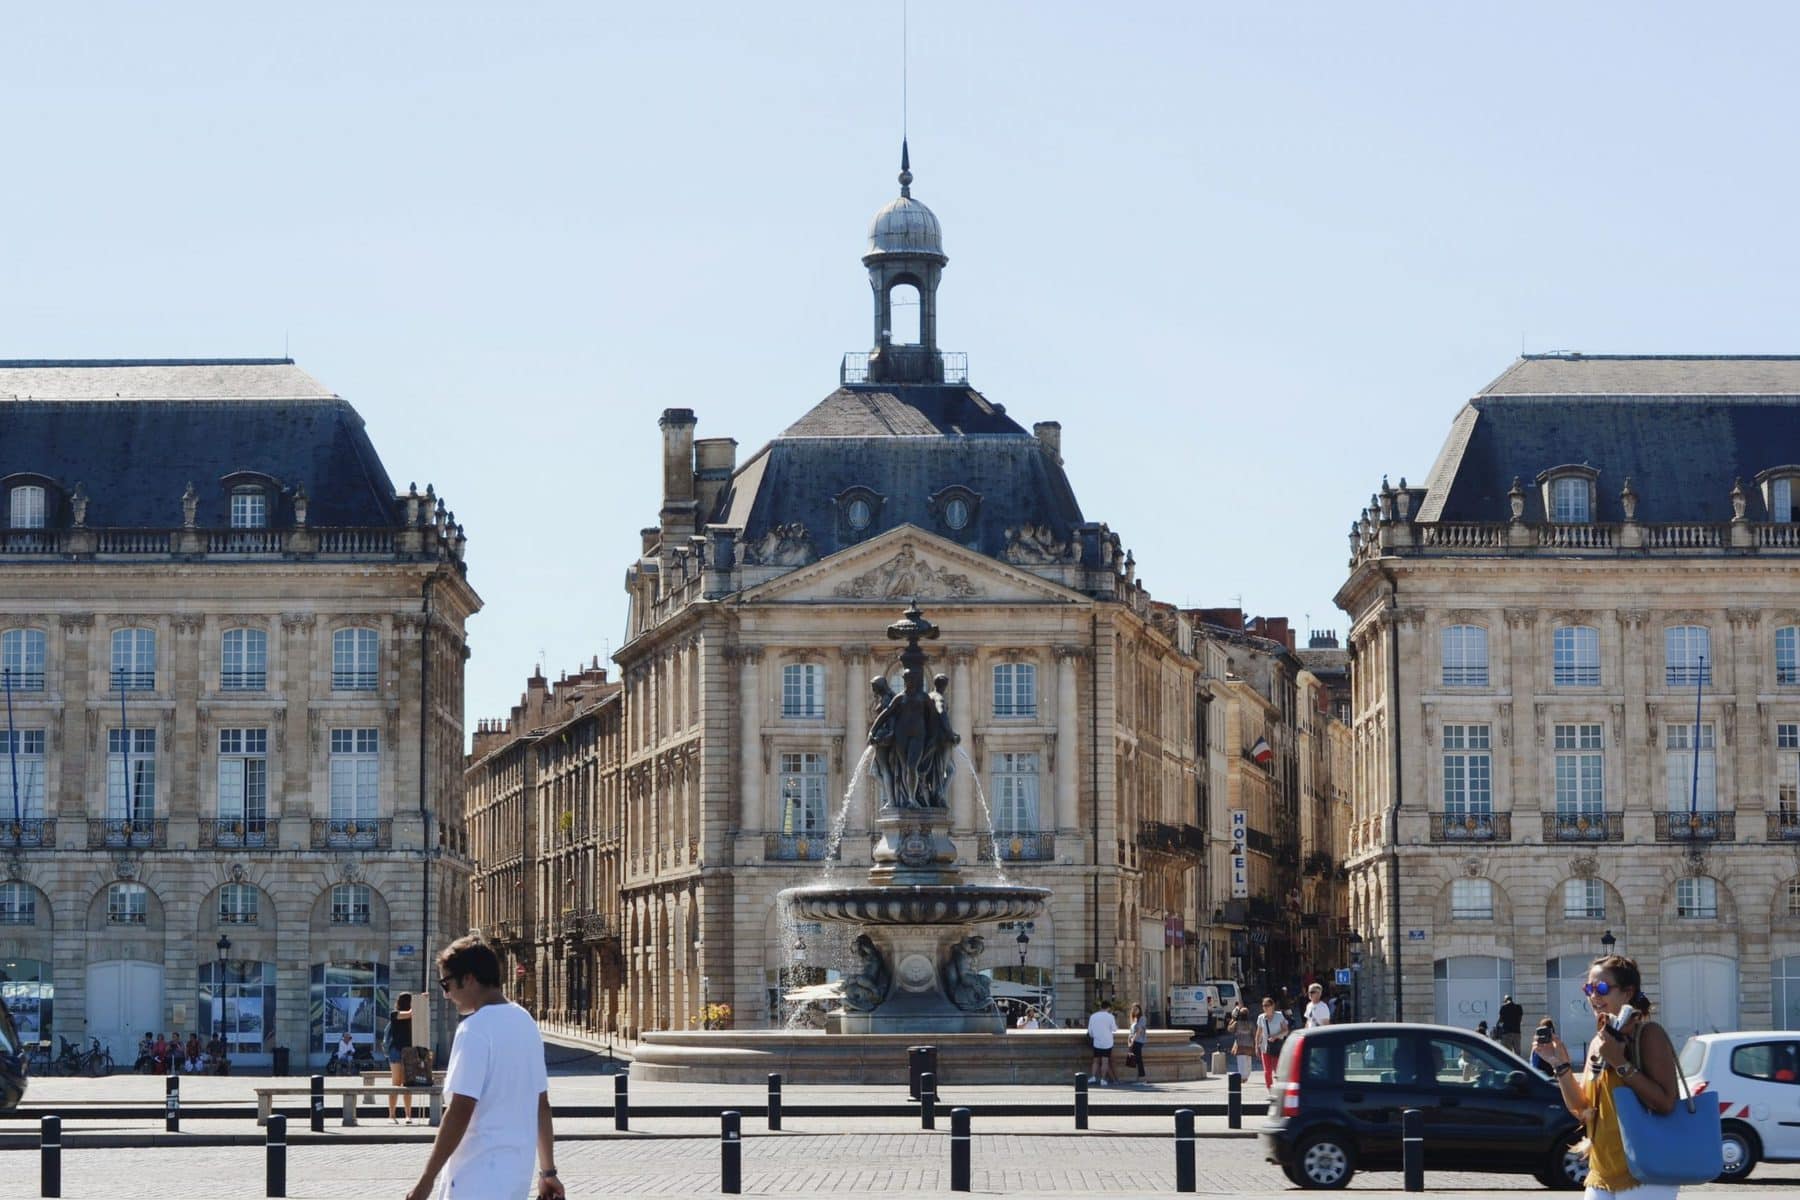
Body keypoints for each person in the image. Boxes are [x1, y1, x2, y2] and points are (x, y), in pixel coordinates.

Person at [404, 936, 564, 1200]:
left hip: (474, 1179)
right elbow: (542, 1104)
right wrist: (548, 1172)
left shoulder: (474, 1029)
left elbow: (460, 1109)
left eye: (446, 983)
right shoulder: (526, 1022)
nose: (446, 994)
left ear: (468, 979)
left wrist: (426, 1182)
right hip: (515, 1178)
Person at [1536, 954, 1682, 1200]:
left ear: (1627, 993)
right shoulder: (1598, 1042)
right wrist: (1559, 1065)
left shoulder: (1648, 1035)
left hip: (1646, 1172)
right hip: (1601, 1171)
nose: (1594, 996)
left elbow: (1666, 1102)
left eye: (1602, 988)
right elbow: (1583, 1110)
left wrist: (1620, 1063)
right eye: (1589, 988)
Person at [387, 992, 415, 1124]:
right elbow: (410, 1013)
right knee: (396, 1082)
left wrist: (423, 1002)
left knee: (407, 1084)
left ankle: (408, 1115)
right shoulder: (395, 1014)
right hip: (397, 1050)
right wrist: (422, 1001)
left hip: (408, 1051)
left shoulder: (411, 1016)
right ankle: (392, 1115)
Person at [1255, 996, 1289, 1089]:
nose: (1265, 1007)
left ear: (1273, 1006)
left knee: (1277, 1070)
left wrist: (1275, 1036)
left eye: (1267, 1005)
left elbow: (1286, 1030)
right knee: (1267, 1071)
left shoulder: (1279, 1015)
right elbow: (1258, 1033)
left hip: (1277, 1047)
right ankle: (1270, 1090)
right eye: (1263, 1006)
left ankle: (1280, 1089)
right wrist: (1256, 1046)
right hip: (1265, 1047)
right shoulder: (1261, 1017)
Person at [1086, 1002, 1118, 1087]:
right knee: (1105, 1062)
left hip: (1097, 1042)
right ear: (1108, 1008)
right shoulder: (1110, 1016)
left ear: (1100, 1007)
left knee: (1095, 1061)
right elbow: (1114, 1029)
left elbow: (1090, 1031)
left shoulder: (1093, 1016)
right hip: (1107, 1042)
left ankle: (1093, 1076)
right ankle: (1103, 1079)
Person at [1227, 999, 1256, 1080]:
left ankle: (1243, 1076)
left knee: (1241, 1062)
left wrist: (1233, 1020)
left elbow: (1229, 1029)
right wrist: (1256, 1043)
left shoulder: (1236, 1023)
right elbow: (1255, 1034)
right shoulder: (1251, 1024)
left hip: (1239, 1045)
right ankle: (1245, 1076)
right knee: (1248, 1061)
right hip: (1249, 1045)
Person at [1125, 1003, 1149, 1084]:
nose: (1135, 1010)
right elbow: (1131, 1032)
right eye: (1133, 1009)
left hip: (1138, 1041)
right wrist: (1129, 1041)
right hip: (1134, 1041)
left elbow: (1139, 1031)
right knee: (1137, 1060)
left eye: (1136, 1009)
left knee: (1139, 1060)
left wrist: (1132, 1041)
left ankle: (1143, 1079)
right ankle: (1139, 1079)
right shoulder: (1134, 1018)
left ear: (1139, 1009)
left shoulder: (1142, 1018)